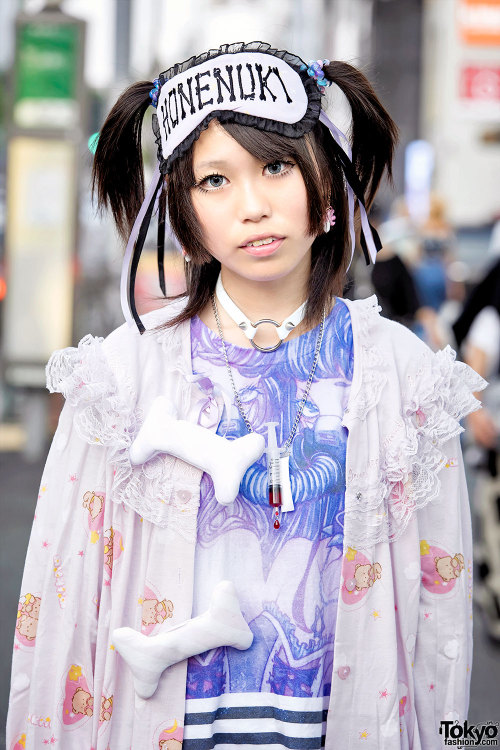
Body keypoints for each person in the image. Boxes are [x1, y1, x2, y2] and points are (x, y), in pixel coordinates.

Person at [7, 42, 485, 750]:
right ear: (185, 214)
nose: (253, 205)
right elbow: (59, 612)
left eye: (275, 166)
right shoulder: (123, 375)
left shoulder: (406, 380)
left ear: (325, 183)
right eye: (214, 181)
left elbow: (442, 625)